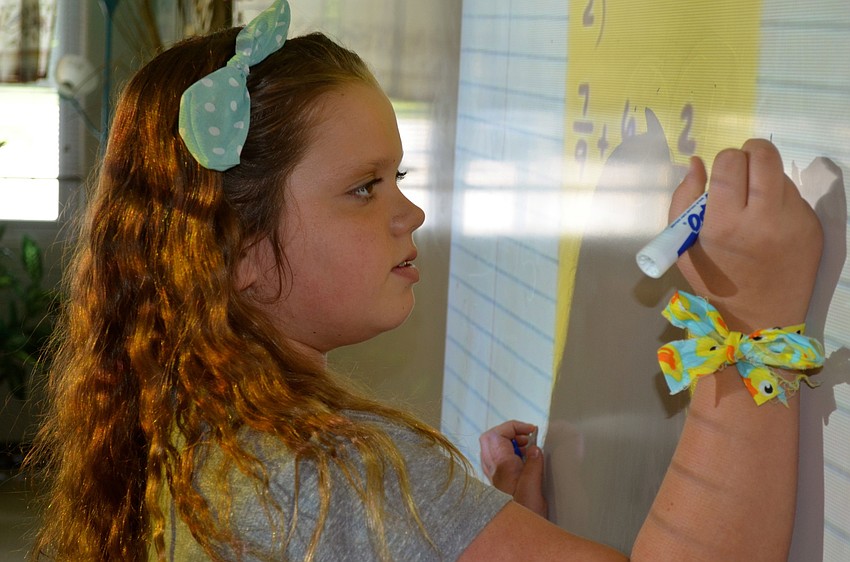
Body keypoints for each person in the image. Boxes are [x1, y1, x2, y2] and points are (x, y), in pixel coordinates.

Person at [27, 1, 823, 560]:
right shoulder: (340, 476)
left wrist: (484, 531)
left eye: (398, 175)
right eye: (364, 187)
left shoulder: (196, 442)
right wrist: (752, 324)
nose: (409, 212)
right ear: (238, 250)